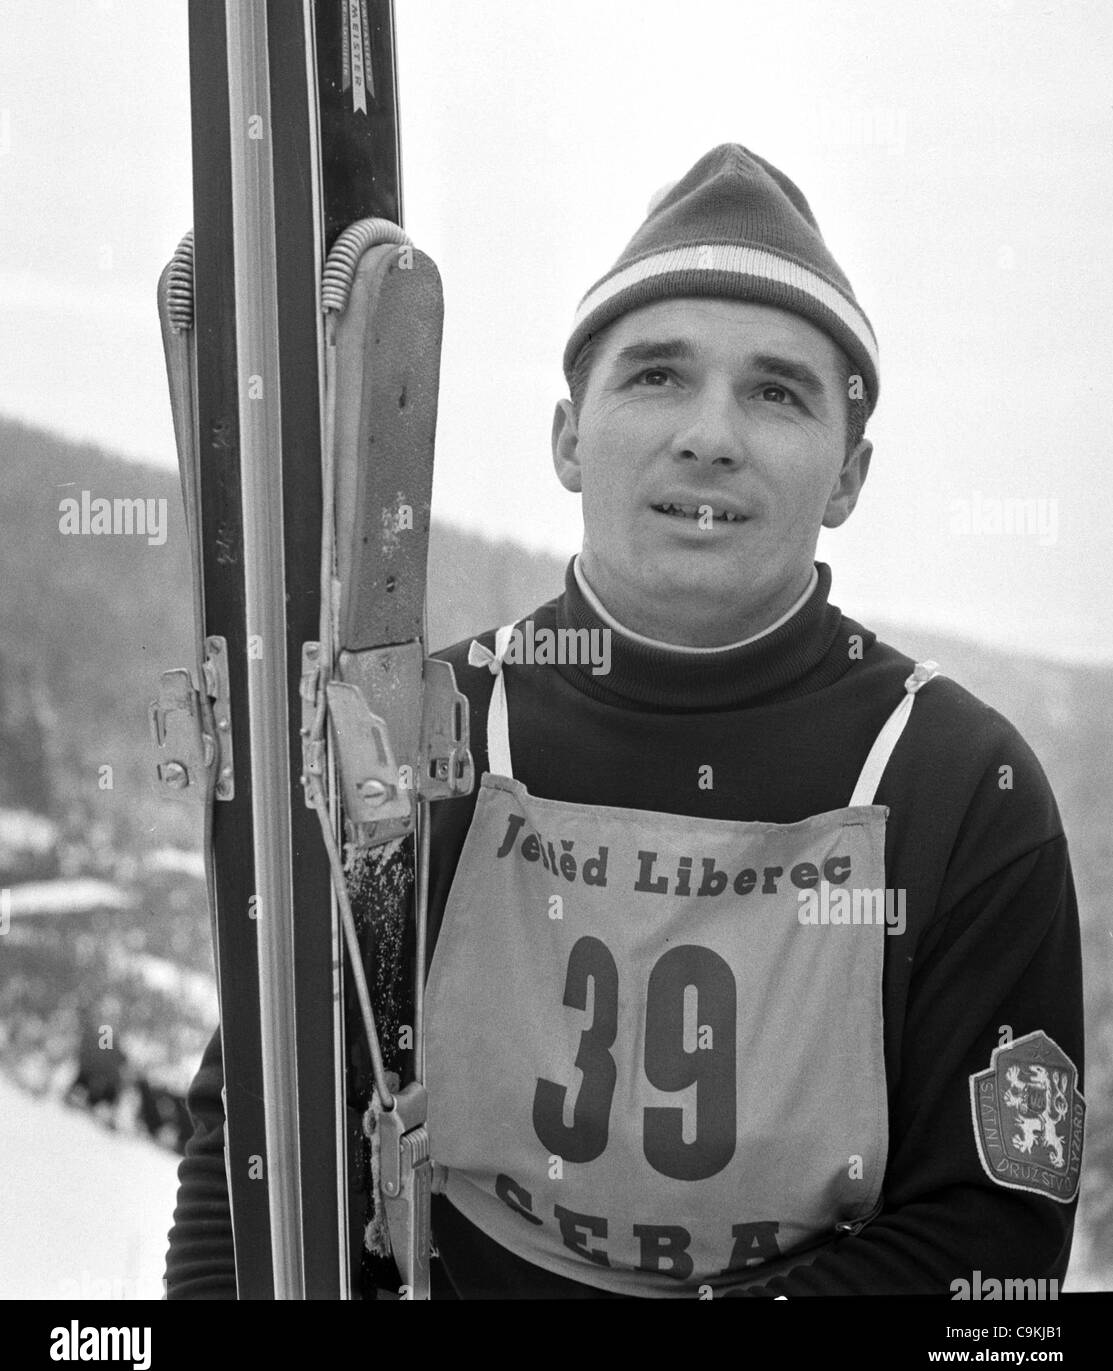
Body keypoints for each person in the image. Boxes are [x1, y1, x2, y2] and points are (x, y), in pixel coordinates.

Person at [165, 143, 1084, 1299]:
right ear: (566, 438)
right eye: (657, 375)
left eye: (777, 391)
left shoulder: (959, 786)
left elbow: (993, 1253)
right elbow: (256, 1124)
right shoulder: (419, 732)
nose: (711, 433)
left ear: (848, 475)